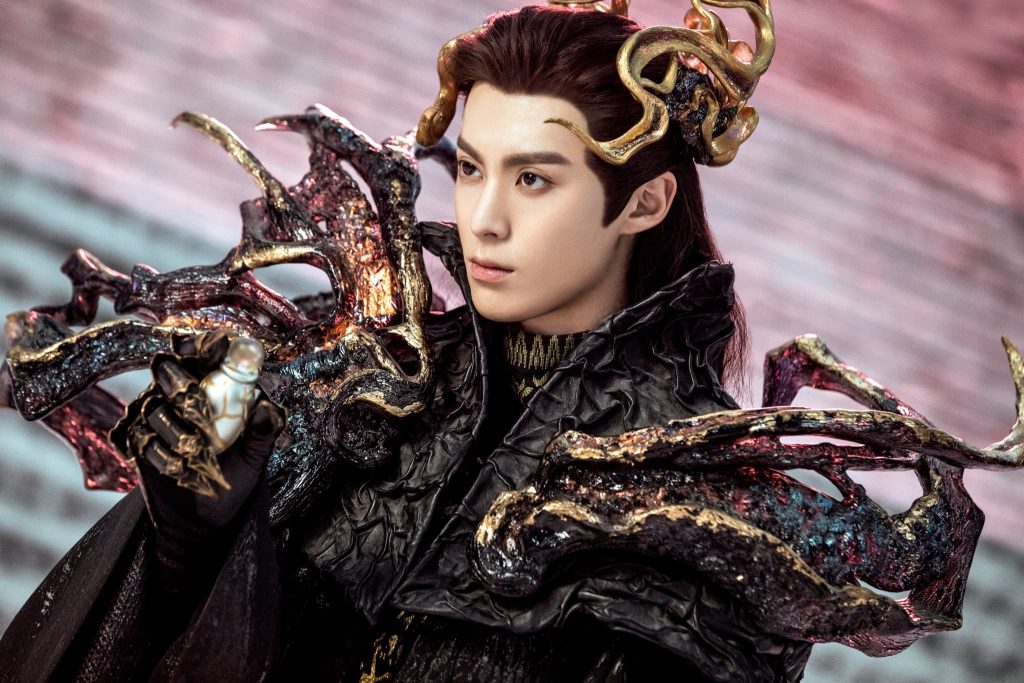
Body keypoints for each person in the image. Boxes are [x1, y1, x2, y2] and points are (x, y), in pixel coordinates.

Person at [5, 1, 986, 681]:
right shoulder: (366, 389)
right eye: (472, 168)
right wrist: (192, 539)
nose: (484, 218)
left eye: (534, 179)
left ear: (644, 201)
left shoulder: (708, 505)